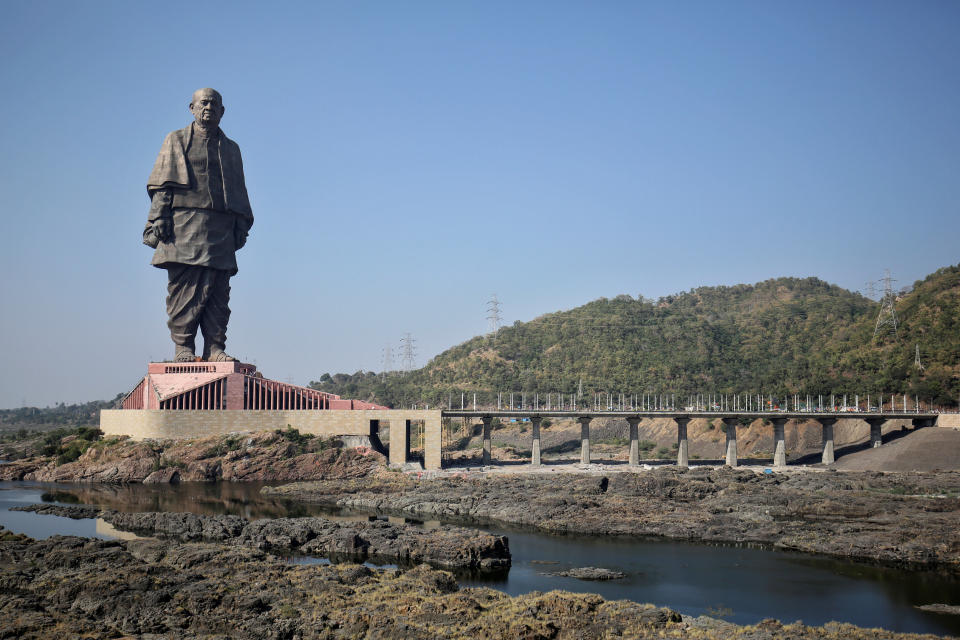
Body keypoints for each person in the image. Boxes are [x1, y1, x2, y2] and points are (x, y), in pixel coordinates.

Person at [143, 88, 253, 362]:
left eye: (215, 104)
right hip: (184, 225)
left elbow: (238, 191)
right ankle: (184, 346)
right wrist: (159, 217)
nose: (209, 107)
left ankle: (215, 347)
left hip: (220, 227)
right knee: (185, 288)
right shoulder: (176, 140)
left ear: (223, 112)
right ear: (191, 108)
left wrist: (240, 226)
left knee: (218, 290)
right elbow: (162, 185)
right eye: (203, 102)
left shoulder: (231, 149)